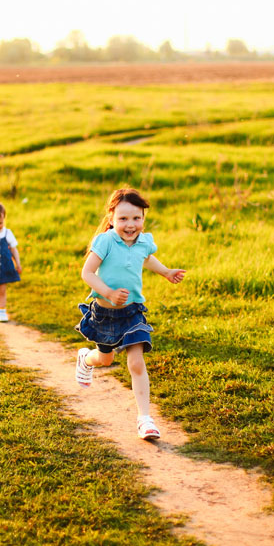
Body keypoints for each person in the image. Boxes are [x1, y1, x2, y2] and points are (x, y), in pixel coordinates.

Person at [74, 188, 185, 440]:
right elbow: (87, 273)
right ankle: (85, 359)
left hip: (132, 312)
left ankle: (145, 419)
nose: (130, 224)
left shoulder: (143, 242)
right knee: (105, 360)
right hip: (104, 314)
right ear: (111, 218)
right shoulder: (105, 241)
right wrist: (109, 293)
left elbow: (146, 259)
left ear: (143, 218)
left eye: (136, 218)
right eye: (123, 219)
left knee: (136, 362)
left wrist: (166, 272)